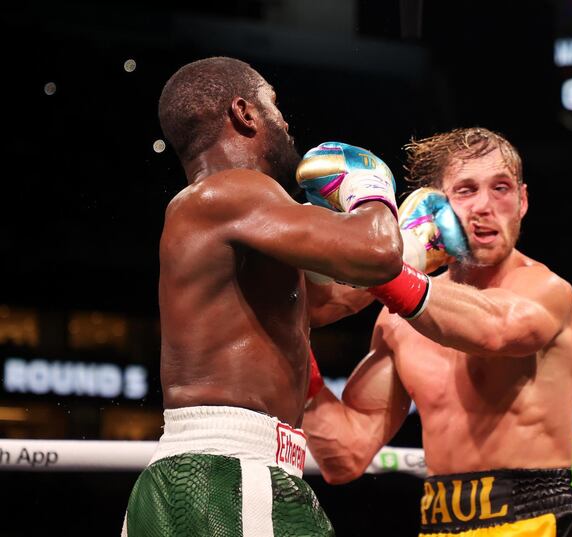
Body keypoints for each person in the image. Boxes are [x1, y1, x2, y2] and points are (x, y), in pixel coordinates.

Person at [121, 56, 419, 537]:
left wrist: (418, 253)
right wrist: (368, 186)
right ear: (245, 113)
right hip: (231, 477)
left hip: (209, 474)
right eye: (274, 105)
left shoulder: (220, 210)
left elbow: (322, 303)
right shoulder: (232, 191)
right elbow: (377, 250)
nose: (285, 121)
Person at [303, 127, 572, 536]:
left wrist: (382, 264)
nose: (485, 206)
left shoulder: (546, 291)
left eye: (501, 188)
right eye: (466, 190)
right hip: (438, 525)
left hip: (535, 521)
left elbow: (493, 330)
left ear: (522, 201)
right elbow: (343, 456)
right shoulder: (397, 323)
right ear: (434, 204)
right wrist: (290, 342)